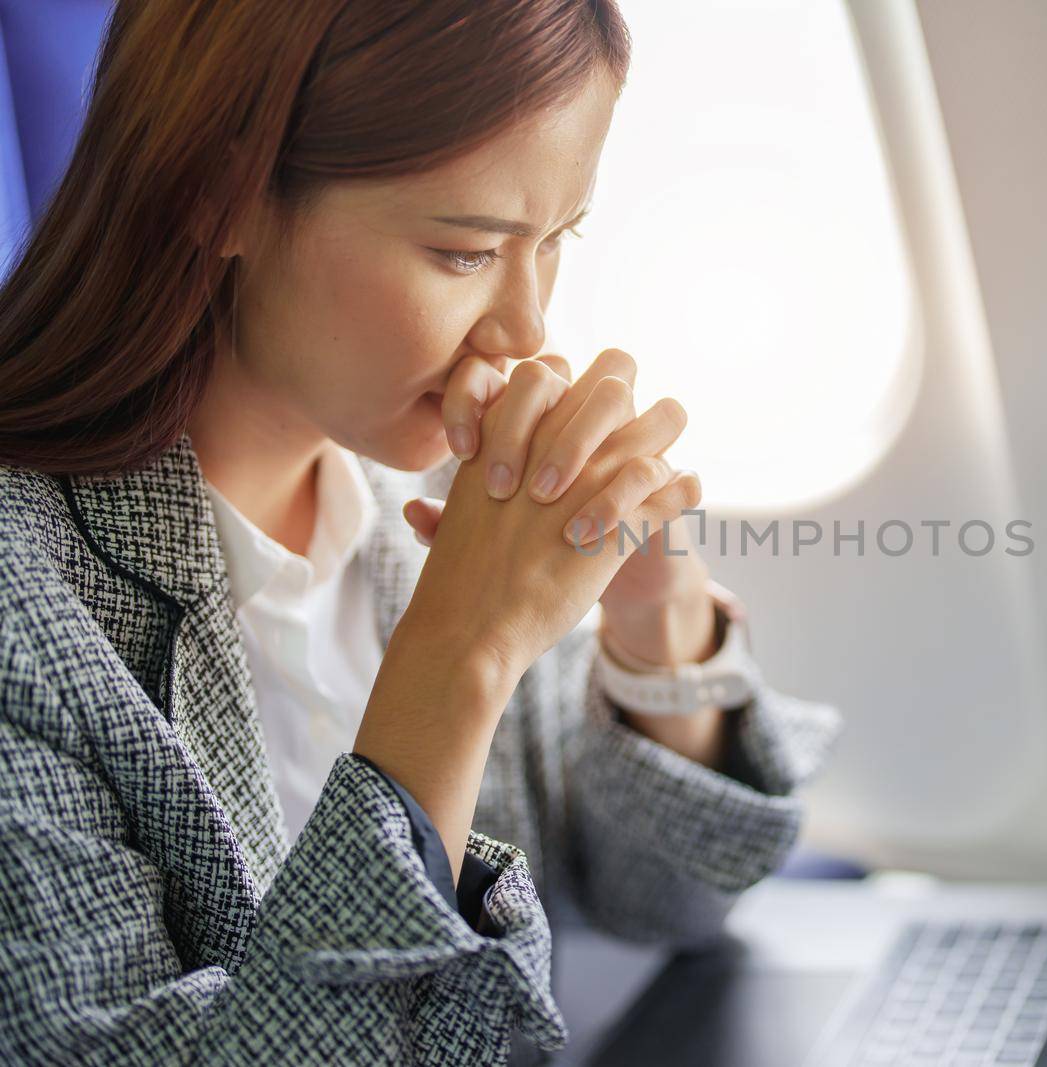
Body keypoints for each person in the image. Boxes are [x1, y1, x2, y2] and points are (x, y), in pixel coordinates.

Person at [0, 1, 842, 1062]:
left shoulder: (423, 491)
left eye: (557, 240)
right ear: (221, 195)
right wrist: (460, 657)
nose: (527, 328)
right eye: (464, 252)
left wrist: (655, 616)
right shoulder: (26, 604)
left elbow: (670, 898)